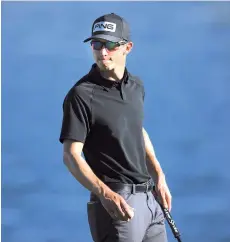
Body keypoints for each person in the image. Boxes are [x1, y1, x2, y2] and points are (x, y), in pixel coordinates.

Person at [59, 13, 172, 242]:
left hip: (150, 201)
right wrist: (105, 194)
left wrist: (158, 175)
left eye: (110, 44)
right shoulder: (81, 95)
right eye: (97, 44)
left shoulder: (136, 86)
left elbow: (137, 130)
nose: (103, 52)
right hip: (117, 205)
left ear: (127, 47)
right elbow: (71, 156)